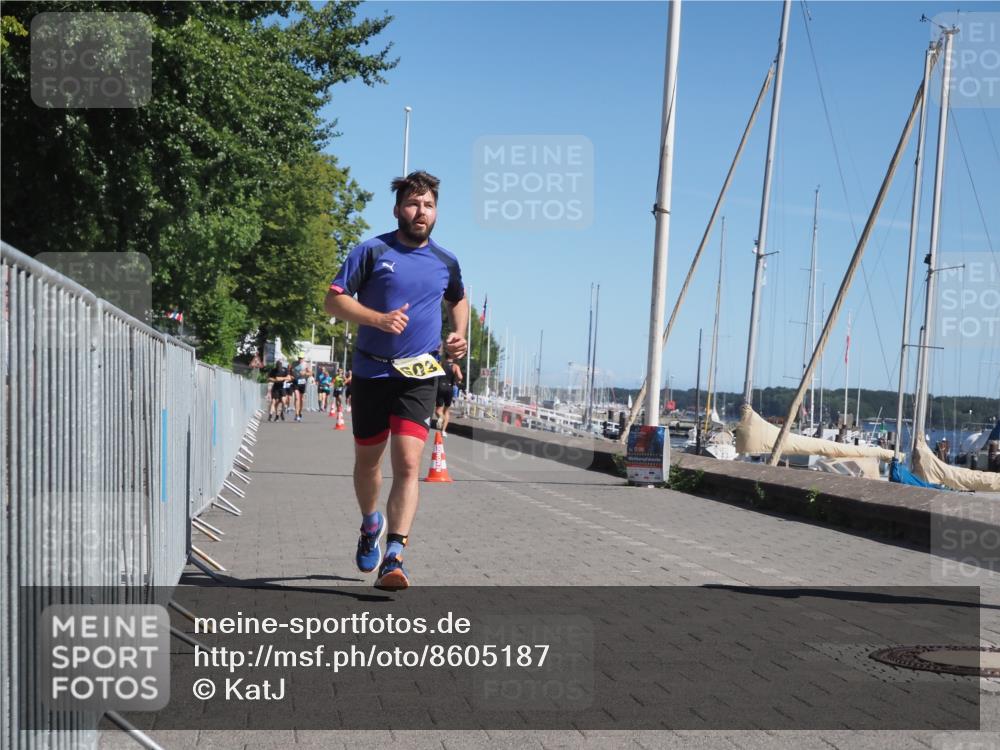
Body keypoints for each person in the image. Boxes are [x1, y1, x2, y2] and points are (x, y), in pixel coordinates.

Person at [325, 171, 468, 591]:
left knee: (407, 464)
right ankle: (371, 522)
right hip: (372, 370)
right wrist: (377, 319)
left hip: (418, 375)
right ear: (397, 209)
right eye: (412, 204)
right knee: (368, 464)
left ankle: (394, 555)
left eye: (427, 205)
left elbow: (458, 299)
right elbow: (332, 299)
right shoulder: (371, 251)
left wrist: (458, 337)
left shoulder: (446, 261)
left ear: (436, 212)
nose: (420, 212)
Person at [435, 354, 463, 436]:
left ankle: (440, 417)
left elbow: (435, 375)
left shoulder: (440, 363)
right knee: (447, 411)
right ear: (453, 357)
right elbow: (460, 377)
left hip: (440, 387)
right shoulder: (455, 366)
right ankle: (443, 431)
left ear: (445, 356)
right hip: (449, 388)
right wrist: (457, 380)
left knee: (438, 410)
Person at [292, 356, 310, 422]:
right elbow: (291, 371)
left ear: (303, 359)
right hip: (296, 382)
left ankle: (299, 412)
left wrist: (305, 373)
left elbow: (310, 373)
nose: (300, 359)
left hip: (302, 383)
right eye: (299, 358)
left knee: (301, 399)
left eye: (301, 358)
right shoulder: (294, 363)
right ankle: (296, 414)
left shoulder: (306, 364)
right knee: (297, 398)